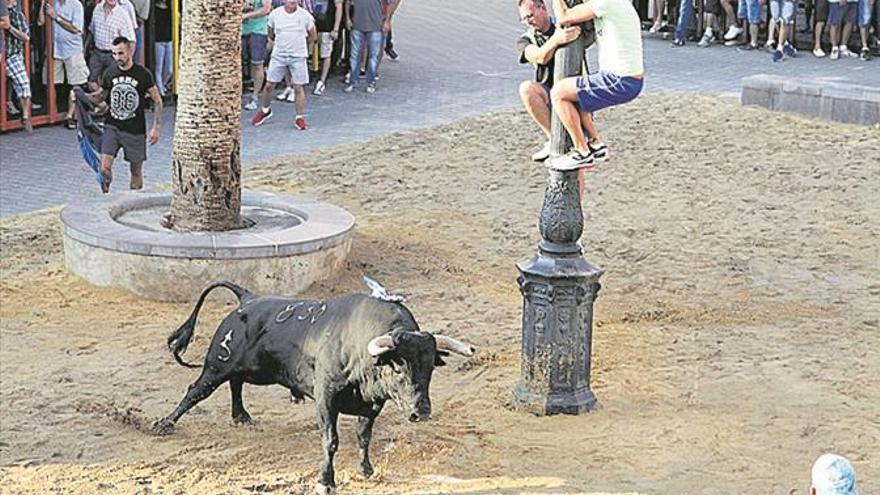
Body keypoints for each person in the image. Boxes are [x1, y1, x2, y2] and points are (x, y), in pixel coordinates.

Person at [549, 0, 644, 178]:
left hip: (620, 79)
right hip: (626, 79)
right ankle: (597, 145)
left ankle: (581, 151)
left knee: (559, 93)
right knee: (578, 97)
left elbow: (564, 16)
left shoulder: (607, 3)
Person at [90, 36, 162, 193]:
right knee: (104, 168)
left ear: (130, 51)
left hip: (135, 130)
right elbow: (101, 96)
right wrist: (81, 95)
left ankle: (134, 201)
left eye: (121, 53)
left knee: (136, 173)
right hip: (112, 126)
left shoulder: (143, 74)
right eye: (114, 54)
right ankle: (105, 196)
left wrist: (156, 127)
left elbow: (157, 100)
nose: (117, 58)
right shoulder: (110, 73)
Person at [516, 0, 581, 162]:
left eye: (530, 15)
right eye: (524, 19)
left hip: (575, 95)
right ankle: (554, 139)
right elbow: (539, 57)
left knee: (577, 158)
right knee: (526, 89)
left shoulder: (564, 23)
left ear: (543, 8)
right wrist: (556, 40)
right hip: (549, 94)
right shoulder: (525, 39)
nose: (528, 21)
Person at [251, 0, 316, 130]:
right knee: (269, 85)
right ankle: (265, 110)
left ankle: (299, 117)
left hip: (298, 56)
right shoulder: (275, 14)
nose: (292, 1)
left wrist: (302, 47)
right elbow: (271, 32)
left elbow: (312, 35)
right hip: (279, 55)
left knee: (298, 88)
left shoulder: (305, 16)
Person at [38, 0, 89, 129]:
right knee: (50, 81)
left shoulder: (76, 4)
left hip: (72, 50)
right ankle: (53, 113)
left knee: (76, 83)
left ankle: (70, 116)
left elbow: (76, 28)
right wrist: (42, 4)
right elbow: (40, 22)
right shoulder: (51, 3)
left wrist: (56, 17)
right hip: (54, 49)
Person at [87, 0, 136, 92]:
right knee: (90, 83)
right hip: (97, 53)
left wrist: (128, 60)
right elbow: (91, 31)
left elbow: (131, 40)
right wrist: (85, 49)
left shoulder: (123, 14)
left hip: (115, 56)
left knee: (114, 85)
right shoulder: (97, 9)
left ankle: (106, 103)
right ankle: (104, 105)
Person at [344, 0, 388, 93]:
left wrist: (387, 21)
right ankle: (353, 81)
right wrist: (348, 18)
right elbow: (348, 2)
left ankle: (370, 82)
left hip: (376, 26)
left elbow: (389, 4)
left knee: (373, 56)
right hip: (358, 25)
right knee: (355, 56)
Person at [4, 0, 33, 133]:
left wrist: (9, 28)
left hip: (12, 55)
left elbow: (26, 37)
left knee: (23, 83)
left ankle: (26, 116)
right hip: (2, 54)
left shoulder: (17, 15)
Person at [242, 0, 272, 111]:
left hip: (257, 31)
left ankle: (254, 97)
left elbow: (266, 9)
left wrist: (245, 15)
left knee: (257, 64)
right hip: (241, 31)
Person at [311, 0, 342, 95]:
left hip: (327, 27)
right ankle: (313, 74)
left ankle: (322, 80)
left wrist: (336, 29)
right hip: (313, 27)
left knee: (326, 54)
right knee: (310, 53)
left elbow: (339, 8)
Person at [153, 0, 173, 97]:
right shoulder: (154, 9)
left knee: (169, 69)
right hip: (158, 41)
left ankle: (162, 85)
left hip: (169, 40)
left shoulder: (171, 8)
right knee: (159, 67)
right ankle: (160, 90)